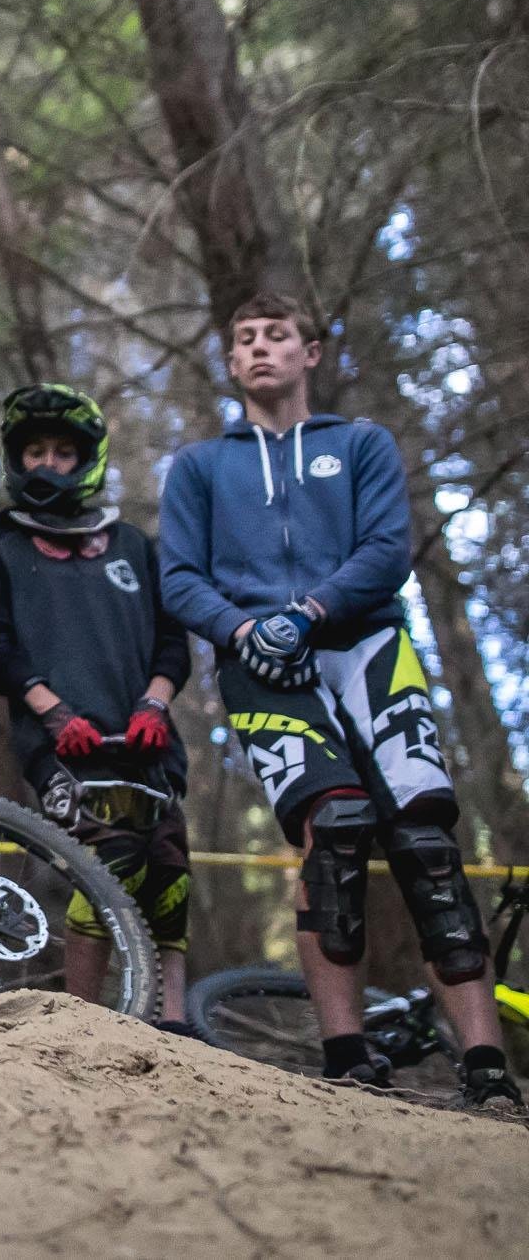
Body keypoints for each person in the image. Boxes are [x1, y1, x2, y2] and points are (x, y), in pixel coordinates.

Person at [160, 292, 520, 1107]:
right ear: (230, 359)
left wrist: (309, 613)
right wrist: (245, 629)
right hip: (255, 654)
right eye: (244, 339)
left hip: (367, 645)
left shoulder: (360, 443)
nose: (259, 349)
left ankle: (487, 1062)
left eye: (276, 336)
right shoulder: (199, 465)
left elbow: (387, 549)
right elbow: (178, 575)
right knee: (338, 826)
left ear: (310, 351)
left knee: (426, 837)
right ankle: (345, 1050)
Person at [0, 383, 197, 1028]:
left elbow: (174, 641)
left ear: (86, 459)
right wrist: (52, 711)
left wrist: (155, 704)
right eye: (33, 450)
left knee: (168, 876)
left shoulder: (130, 543)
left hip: (147, 739)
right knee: (107, 859)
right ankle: (84, 1023)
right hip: (63, 741)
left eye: (63, 452)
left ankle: (175, 1026)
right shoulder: (4, 542)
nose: (46, 463)